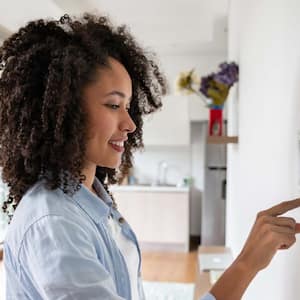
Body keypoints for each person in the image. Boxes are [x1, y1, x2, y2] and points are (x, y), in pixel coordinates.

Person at [0, 13, 299, 300]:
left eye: (128, 107)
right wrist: (246, 264)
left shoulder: (89, 198)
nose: (129, 124)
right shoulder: (54, 224)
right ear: (62, 111)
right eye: (114, 105)